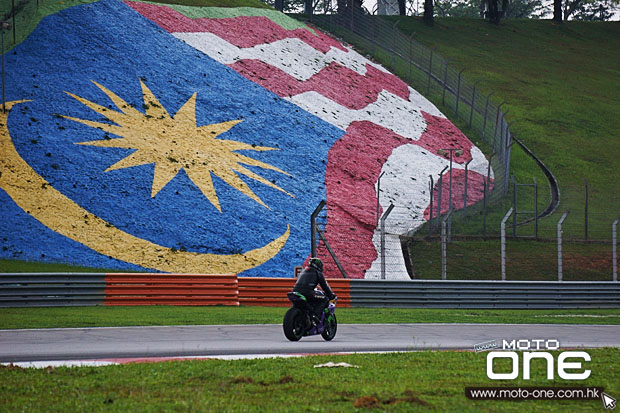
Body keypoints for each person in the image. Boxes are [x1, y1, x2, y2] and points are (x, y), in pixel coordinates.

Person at [293, 257, 336, 324]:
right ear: (318, 265)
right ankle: (315, 315)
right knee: (325, 299)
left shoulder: (304, 271)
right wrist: (331, 295)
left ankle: (307, 314)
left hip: (295, 291)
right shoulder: (317, 272)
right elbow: (324, 286)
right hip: (307, 292)